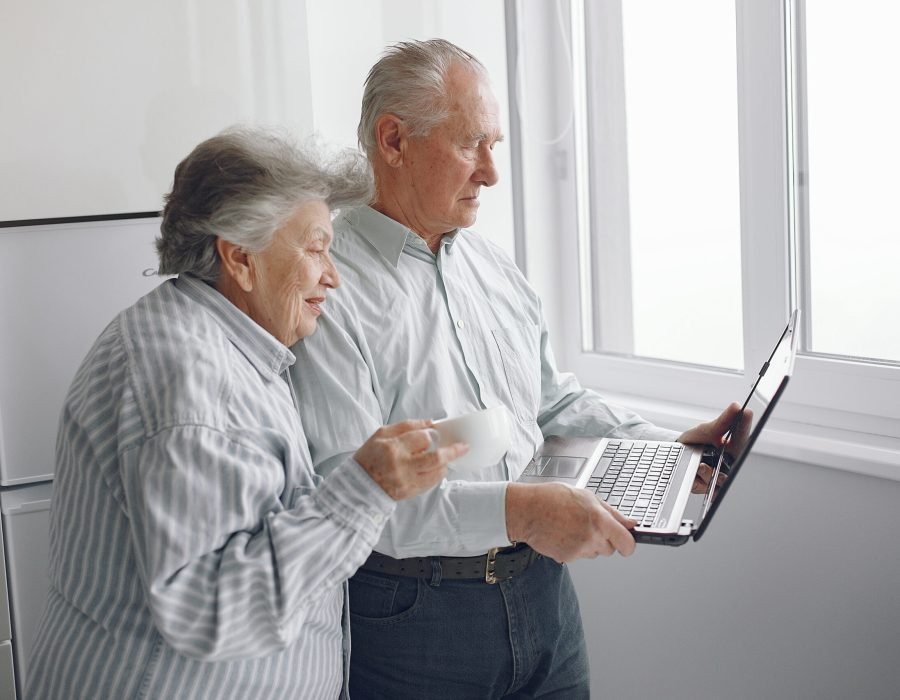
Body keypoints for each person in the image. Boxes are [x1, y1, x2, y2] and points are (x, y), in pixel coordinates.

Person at [290, 39, 741, 699]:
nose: (491, 173)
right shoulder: (324, 288)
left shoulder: (492, 265)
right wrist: (520, 513)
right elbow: (351, 499)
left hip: (545, 597)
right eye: (471, 144)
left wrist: (664, 447)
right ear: (393, 140)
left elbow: (551, 402)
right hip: (415, 619)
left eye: (494, 145)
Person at [25, 127, 467, 700]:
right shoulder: (191, 379)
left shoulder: (224, 343)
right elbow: (211, 610)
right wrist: (365, 488)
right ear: (240, 258)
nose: (332, 275)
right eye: (315, 249)